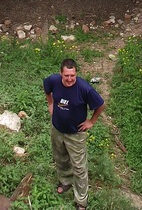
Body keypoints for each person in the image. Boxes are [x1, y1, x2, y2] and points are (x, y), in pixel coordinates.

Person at [43, 58, 105, 210]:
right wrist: (50, 104)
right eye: (66, 76)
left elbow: (101, 104)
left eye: (73, 76)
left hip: (75, 134)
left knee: (79, 167)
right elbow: (47, 89)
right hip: (57, 129)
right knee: (60, 158)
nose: (70, 79)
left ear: (76, 74)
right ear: (61, 74)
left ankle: (81, 200)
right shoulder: (53, 80)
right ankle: (65, 181)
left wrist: (91, 121)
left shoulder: (84, 88)